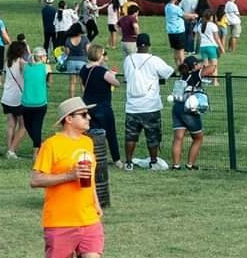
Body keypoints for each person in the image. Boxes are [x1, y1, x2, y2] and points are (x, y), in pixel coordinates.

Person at [30, 96, 103, 258]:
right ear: (69, 119)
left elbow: (90, 177)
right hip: (60, 219)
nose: (89, 118)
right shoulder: (51, 145)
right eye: (84, 114)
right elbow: (35, 180)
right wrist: (70, 176)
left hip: (88, 218)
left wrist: (96, 203)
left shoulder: (87, 142)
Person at [122, 33, 174, 171]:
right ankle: (153, 161)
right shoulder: (154, 60)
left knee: (131, 136)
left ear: (137, 45)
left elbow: (127, 77)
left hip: (132, 106)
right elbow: (169, 72)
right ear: (149, 45)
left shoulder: (128, 59)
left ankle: (128, 162)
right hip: (150, 105)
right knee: (153, 136)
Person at [79, 44, 121, 167]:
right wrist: (112, 75)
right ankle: (116, 159)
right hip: (103, 106)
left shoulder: (83, 69)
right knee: (110, 134)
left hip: (88, 105)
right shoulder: (102, 71)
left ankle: (91, 156)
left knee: (90, 133)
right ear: (99, 55)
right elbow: (116, 83)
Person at [169, 56, 205, 170]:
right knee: (198, 138)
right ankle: (190, 164)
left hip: (177, 107)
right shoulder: (196, 74)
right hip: (188, 108)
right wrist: (203, 66)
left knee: (178, 137)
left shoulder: (182, 76)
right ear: (194, 66)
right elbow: (212, 68)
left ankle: (176, 165)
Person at [22, 47, 52, 158]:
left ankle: (37, 147)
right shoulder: (46, 67)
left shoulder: (25, 67)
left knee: (29, 126)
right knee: (36, 127)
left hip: (26, 102)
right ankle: (38, 148)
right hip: (40, 102)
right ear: (41, 57)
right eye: (45, 56)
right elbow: (49, 83)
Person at [1, 40, 28, 159]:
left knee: (11, 125)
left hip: (6, 96)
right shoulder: (22, 62)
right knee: (23, 125)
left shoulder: (7, 62)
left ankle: (9, 149)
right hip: (18, 97)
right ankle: (12, 150)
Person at [197, 10, 224, 82]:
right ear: (211, 17)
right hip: (211, 47)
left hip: (202, 47)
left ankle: (204, 79)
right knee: (214, 65)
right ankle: (215, 81)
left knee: (206, 64)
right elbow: (217, 38)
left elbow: (199, 39)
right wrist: (221, 48)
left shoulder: (200, 26)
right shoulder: (213, 25)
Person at [62, 23, 89, 97]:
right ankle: (84, 99)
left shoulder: (68, 40)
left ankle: (71, 99)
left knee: (72, 82)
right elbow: (88, 51)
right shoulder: (84, 39)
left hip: (71, 62)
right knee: (82, 83)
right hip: (82, 62)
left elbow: (67, 53)